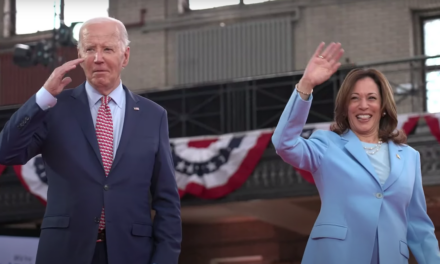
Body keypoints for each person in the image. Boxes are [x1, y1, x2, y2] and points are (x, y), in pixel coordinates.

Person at [0, 17, 181, 264]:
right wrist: (42, 98)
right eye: (90, 49)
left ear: (125, 56)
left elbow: (167, 200)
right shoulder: (53, 108)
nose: (98, 58)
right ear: (79, 55)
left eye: (107, 49)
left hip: (132, 253)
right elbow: (6, 152)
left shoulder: (153, 116)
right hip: (64, 252)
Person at [272, 42, 440, 264]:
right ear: (345, 106)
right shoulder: (326, 145)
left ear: (383, 107)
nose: (363, 105)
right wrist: (306, 84)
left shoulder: (409, 157)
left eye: (371, 98)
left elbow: (418, 226)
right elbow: (284, 144)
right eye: (354, 98)